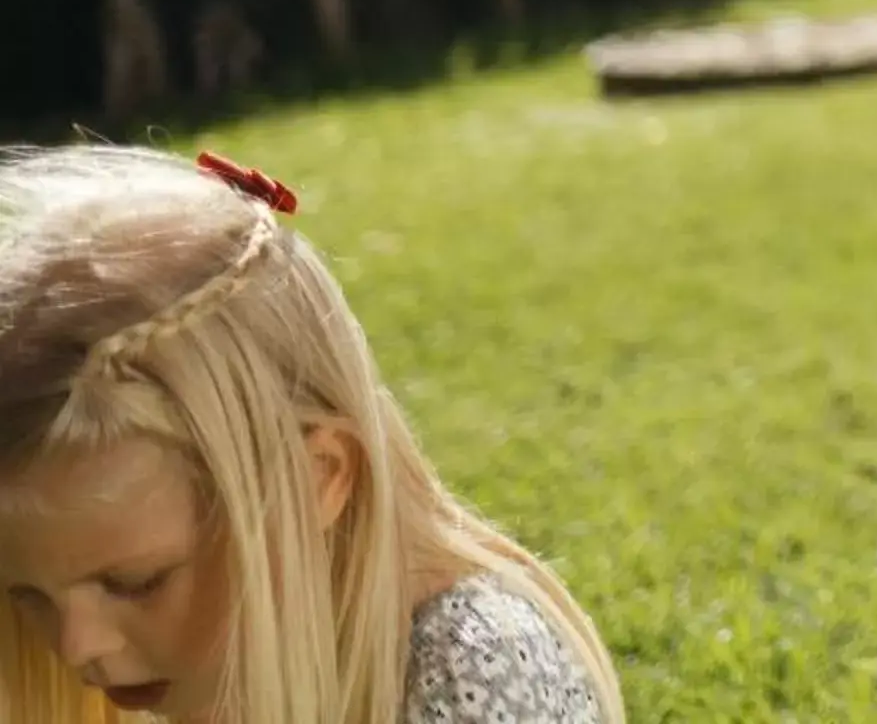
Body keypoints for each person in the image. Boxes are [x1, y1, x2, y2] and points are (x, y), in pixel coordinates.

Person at [0, 145, 626, 724]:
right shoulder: (195, 673)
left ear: (317, 478)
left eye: (136, 582)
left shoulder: (471, 679)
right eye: (27, 594)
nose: (77, 644)